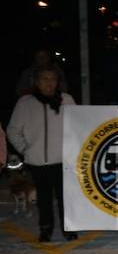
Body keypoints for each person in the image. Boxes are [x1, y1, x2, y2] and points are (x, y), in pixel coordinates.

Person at [6, 68, 77, 242]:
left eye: (53, 79)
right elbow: (13, 130)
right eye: (44, 79)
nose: (49, 83)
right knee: (43, 199)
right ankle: (46, 230)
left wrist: (72, 149)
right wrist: (25, 150)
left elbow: (77, 125)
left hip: (62, 160)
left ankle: (69, 229)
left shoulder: (66, 100)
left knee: (65, 198)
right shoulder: (25, 103)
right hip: (37, 161)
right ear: (37, 82)